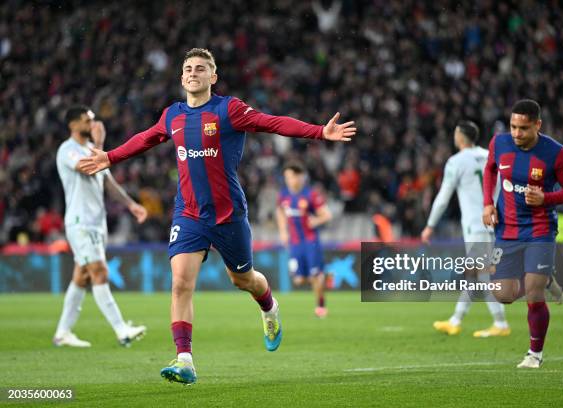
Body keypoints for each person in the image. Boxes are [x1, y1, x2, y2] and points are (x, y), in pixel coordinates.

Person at [77, 48, 356, 384]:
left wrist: (317, 132)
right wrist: (111, 156)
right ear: (182, 78)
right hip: (189, 214)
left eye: (201, 68)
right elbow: (147, 138)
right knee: (180, 283)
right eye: (188, 69)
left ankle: (269, 308)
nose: (193, 73)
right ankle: (185, 359)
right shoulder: (172, 115)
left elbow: (273, 123)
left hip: (228, 215)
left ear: (213, 77)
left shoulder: (229, 110)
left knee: (244, 280)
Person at [482, 99, 563, 368]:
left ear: (537, 125)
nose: (516, 133)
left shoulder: (556, 153)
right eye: (513, 126)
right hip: (507, 229)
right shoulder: (499, 143)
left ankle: (534, 354)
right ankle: (546, 280)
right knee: (503, 295)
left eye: (523, 128)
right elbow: (489, 170)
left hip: (540, 230)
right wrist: (488, 203)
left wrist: (546, 197)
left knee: (533, 296)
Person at [54, 106, 148, 348]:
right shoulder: (68, 150)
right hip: (80, 221)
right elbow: (87, 167)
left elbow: (109, 183)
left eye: (93, 120)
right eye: (87, 120)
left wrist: (131, 205)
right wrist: (100, 143)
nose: (92, 124)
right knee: (99, 272)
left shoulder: (89, 149)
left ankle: (63, 332)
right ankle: (121, 330)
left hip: (97, 222)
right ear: (73, 125)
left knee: (81, 276)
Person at [421, 121, 510, 337]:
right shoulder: (490, 156)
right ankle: (456, 319)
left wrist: (430, 225)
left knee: (481, 275)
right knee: (472, 273)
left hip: (475, 223)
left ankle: (500, 323)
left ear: (460, 137)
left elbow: (443, 197)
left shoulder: (456, 161)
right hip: (493, 221)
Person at [276, 162, 332, 318]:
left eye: (292, 176)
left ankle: (320, 306)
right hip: (294, 243)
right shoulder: (283, 195)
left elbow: (327, 214)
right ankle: (322, 277)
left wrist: (315, 221)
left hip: (310, 241)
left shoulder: (310, 194)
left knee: (315, 276)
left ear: (301, 177)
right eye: (287, 177)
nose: (289, 180)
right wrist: (282, 231)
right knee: (299, 280)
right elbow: (279, 211)